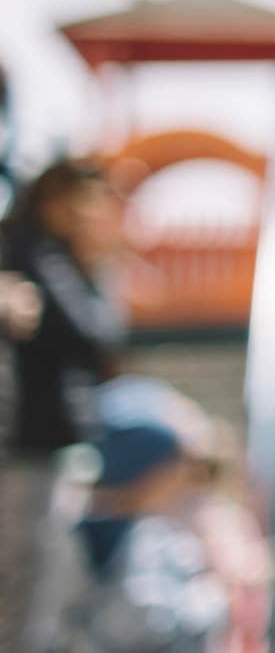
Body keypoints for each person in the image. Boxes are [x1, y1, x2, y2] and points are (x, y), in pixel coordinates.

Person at [2, 158, 130, 648]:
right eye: (86, 206)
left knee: (49, 584)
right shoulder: (34, 253)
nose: (94, 218)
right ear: (58, 200)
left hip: (44, 439)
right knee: (30, 585)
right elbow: (94, 336)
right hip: (30, 440)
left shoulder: (49, 255)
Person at [54, 375, 231, 652]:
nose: (181, 484)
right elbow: (144, 619)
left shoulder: (150, 530)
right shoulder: (84, 530)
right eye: (178, 470)